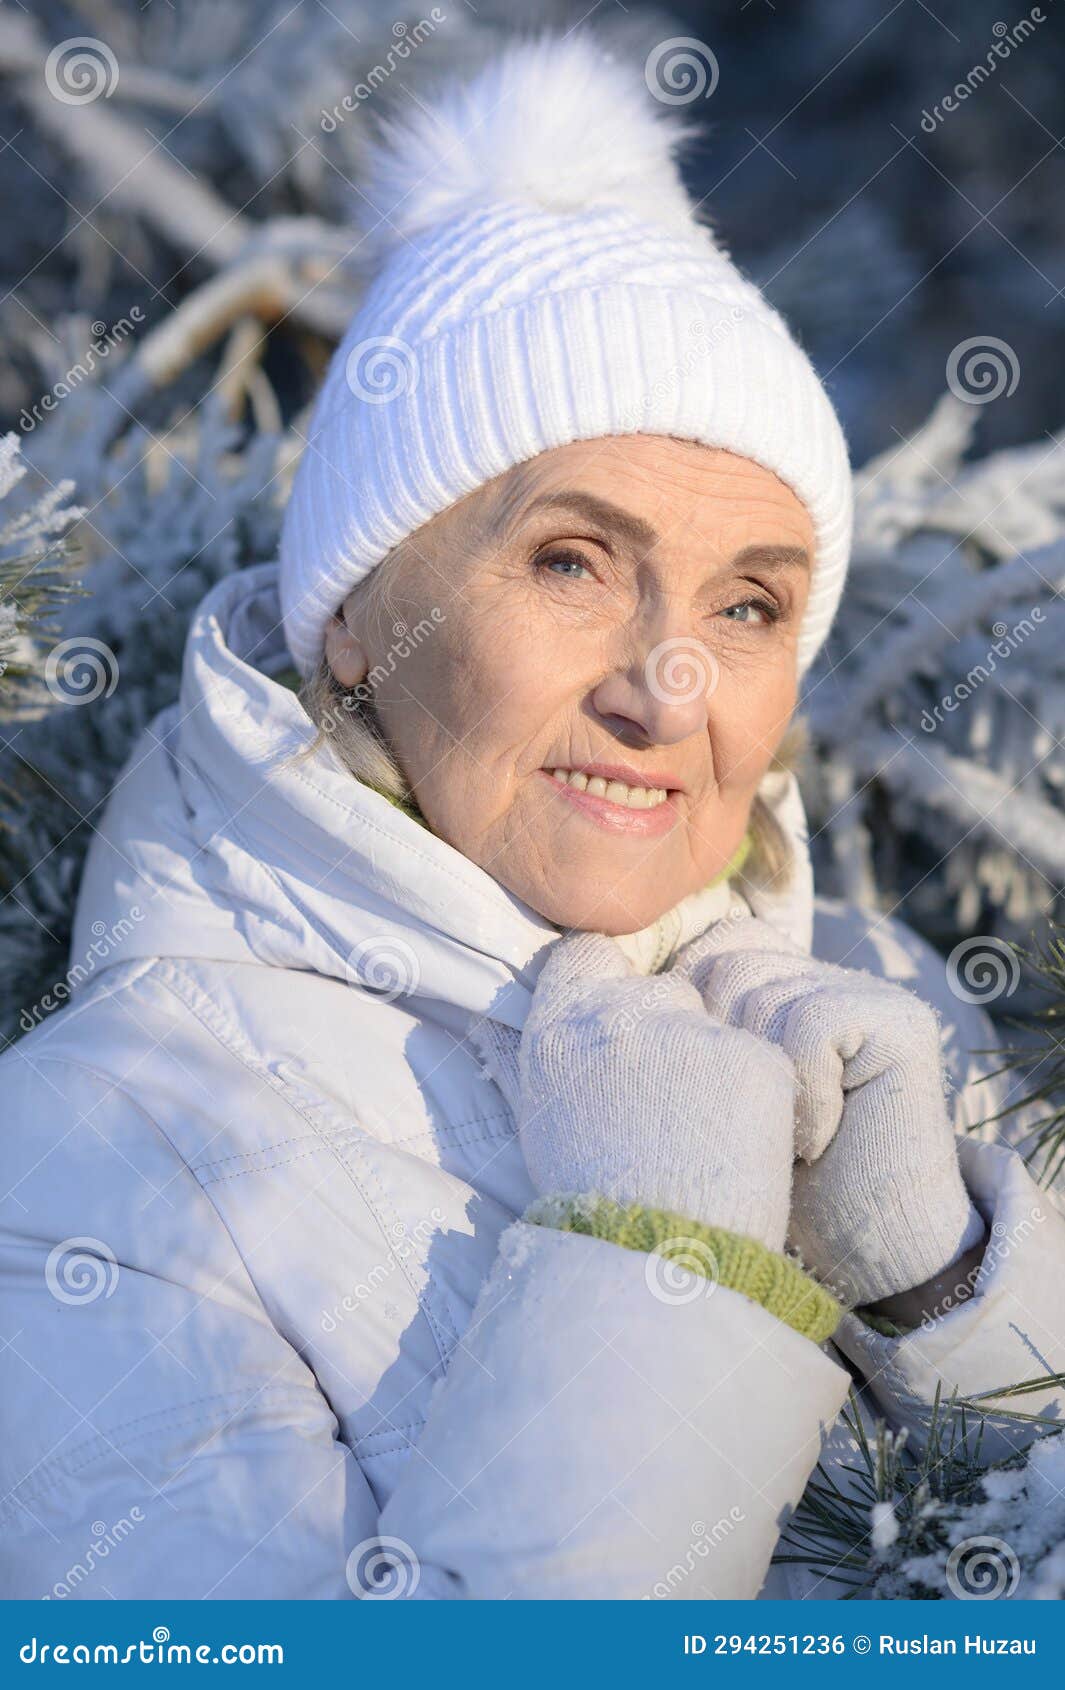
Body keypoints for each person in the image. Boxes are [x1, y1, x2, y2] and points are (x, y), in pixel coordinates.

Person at [1, 34, 1061, 1601]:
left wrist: (956, 1297)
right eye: (572, 562)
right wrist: (657, 1269)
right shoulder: (96, 1143)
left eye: (749, 601)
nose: (670, 684)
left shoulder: (884, 1007)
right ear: (354, 616)